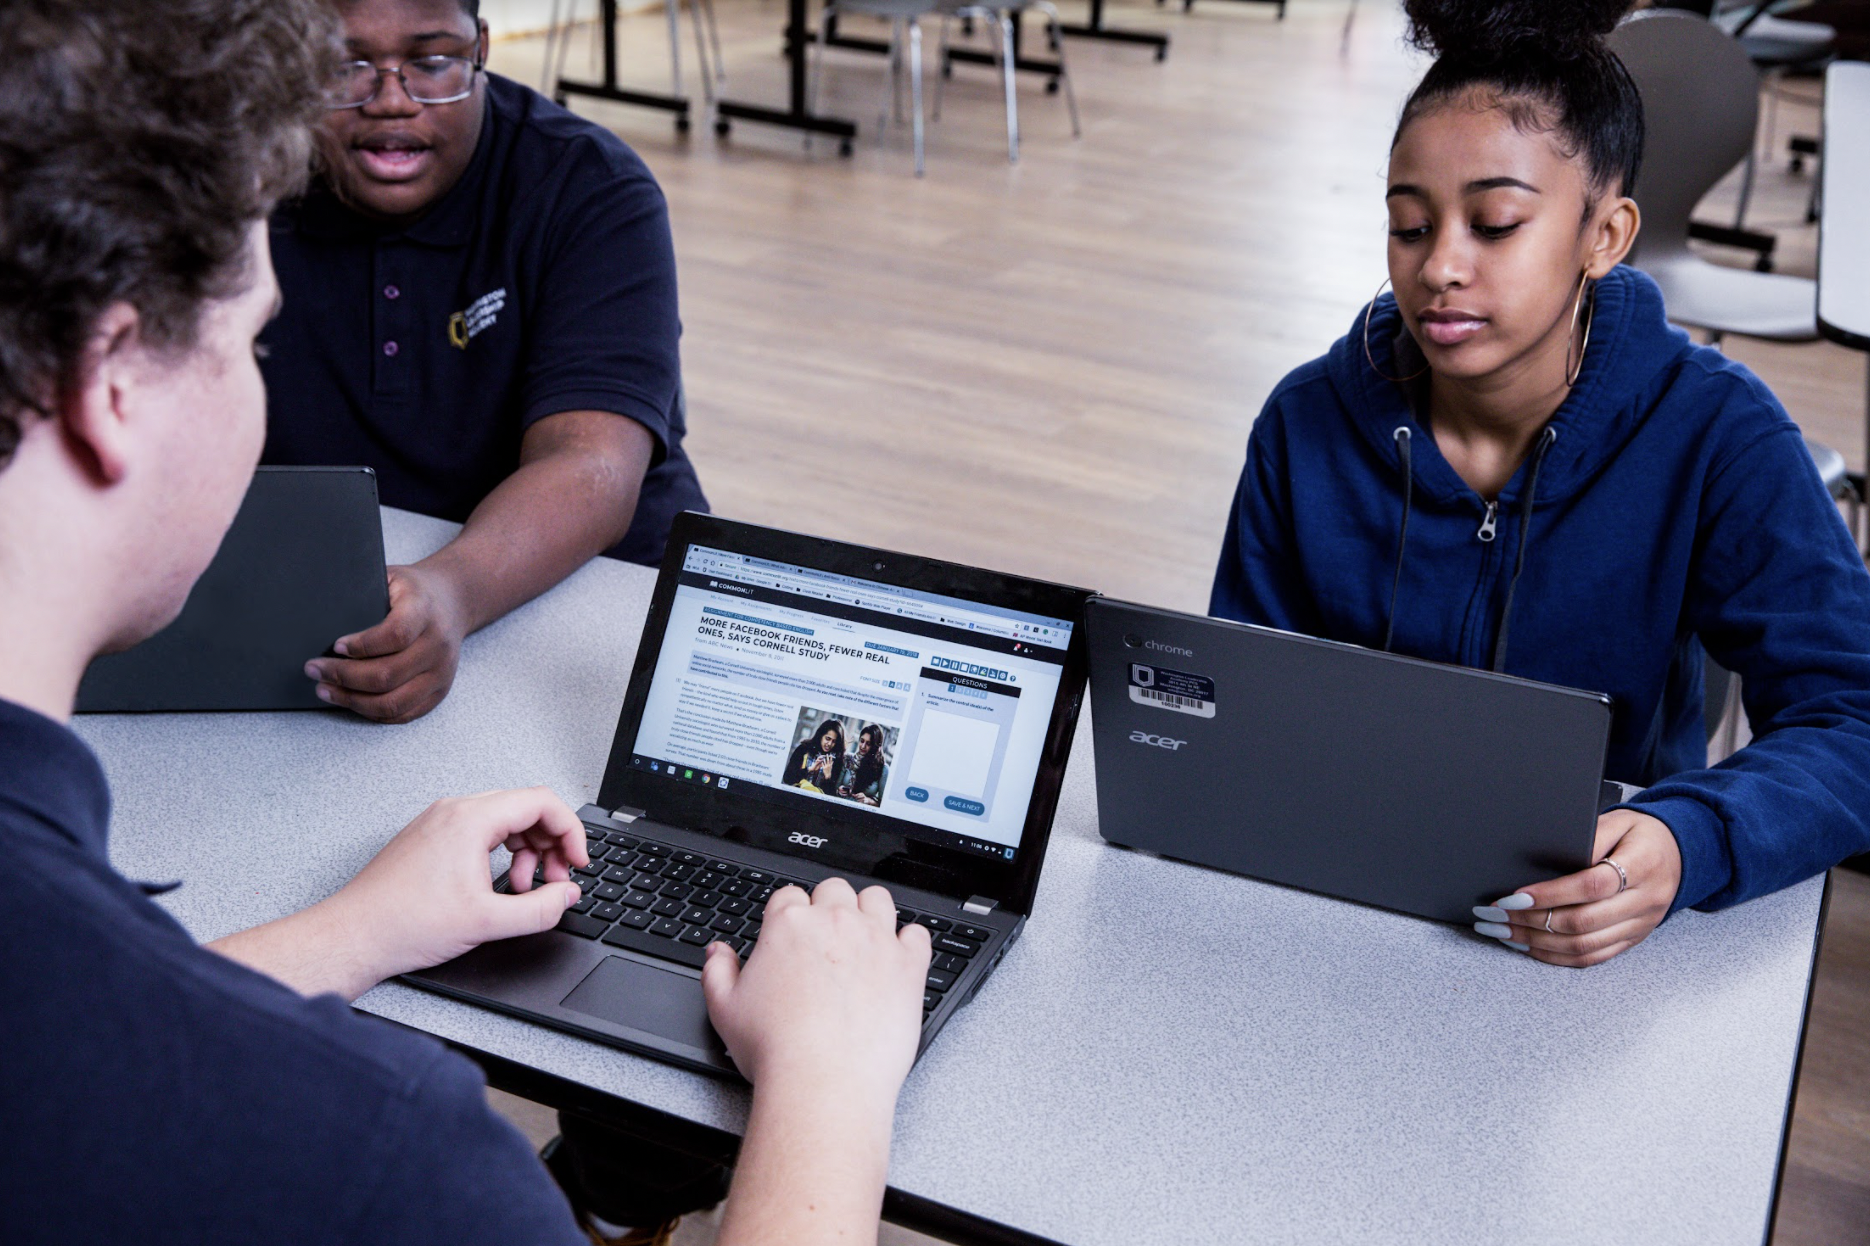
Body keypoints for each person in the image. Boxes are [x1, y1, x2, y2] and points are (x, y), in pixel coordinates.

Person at [0, 5, 930, 1245]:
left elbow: (107, 1036)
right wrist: (827, 1082)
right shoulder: (408, 1160)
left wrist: (355, 929)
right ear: (116, 383)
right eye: (246, 339)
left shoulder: (582, 187)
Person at [1211, 0, 1870, 968]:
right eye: (1407, 225)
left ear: (1604, 235)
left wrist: (1689, 839)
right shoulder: (1303, 422)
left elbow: (1850, 718)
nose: (1439, 266)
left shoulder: (1719, 436)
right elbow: (1245, 698)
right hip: (1339, 913)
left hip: (1591, 932)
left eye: (1495, 224)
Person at [262, 0, 708, 725]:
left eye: (432, 62)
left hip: (595, 610)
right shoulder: (238, 187)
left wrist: (453, 592)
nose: (392, 101)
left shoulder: (590, 188)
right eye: (346, 67)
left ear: (481, 51)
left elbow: (590, 464)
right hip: (341, 622)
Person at [783, 720, 847, 793]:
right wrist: (809, 769)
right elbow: (787, 778)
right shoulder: (803, 749)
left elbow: (831, 795)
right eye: (827, 739)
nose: (829, 744)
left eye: (834, 741)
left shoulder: (837, 761)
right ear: (821, 736)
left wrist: (828, 776)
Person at [841, 724, 891, 806]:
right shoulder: (848, 759)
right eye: (862, 741)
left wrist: (868, 801)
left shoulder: (883, 769)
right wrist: (839, 790)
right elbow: (835, 787)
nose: (863, 746)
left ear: (875, 746)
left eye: (868, 744)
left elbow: (883, 804)